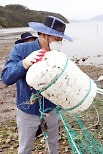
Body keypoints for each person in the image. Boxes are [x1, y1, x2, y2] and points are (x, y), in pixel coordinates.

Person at [1, 15, 72, 154]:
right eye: (57, 39)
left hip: (51, 110)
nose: (60, 43)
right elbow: (6, 78)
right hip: (28, 111)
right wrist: (24, 63)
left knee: (52, 144)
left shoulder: (56, 55)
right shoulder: (20, 50)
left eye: (61, 39)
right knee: (25, 148)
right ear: (44, 35)